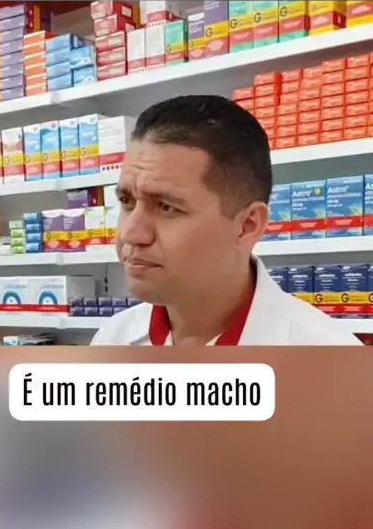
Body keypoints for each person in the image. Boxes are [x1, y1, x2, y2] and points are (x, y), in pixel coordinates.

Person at [91, 95, 361, 346]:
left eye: (166, 207)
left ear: (247, 225)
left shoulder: (335, 362)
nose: (130, 233)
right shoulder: (111, 340)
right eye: (127, 201)